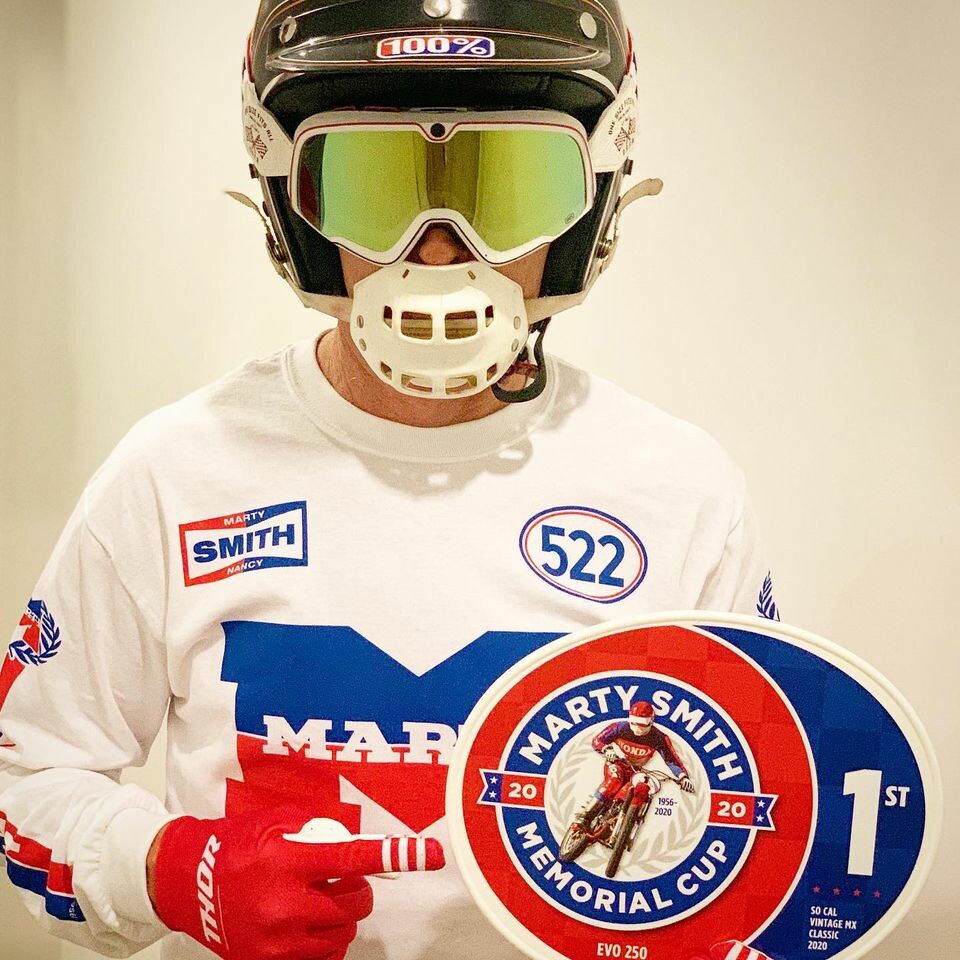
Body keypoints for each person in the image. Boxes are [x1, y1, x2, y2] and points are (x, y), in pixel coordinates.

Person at [0, 2, 779, 959]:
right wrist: (168, 869)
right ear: (292, 201)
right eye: (374, 187)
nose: (439, 248)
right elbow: (28, 773)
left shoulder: (680, 489)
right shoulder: (173, 470)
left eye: (507, 188)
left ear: (592, 202)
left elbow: (764, 810)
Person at [573, 700, 695, 831]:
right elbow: (598, 740)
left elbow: (671, 759)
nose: (637, 729)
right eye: (633, 723)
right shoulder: (619, 727)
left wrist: (682, 777)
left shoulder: (659, 737)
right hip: (617, 764)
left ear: (651, 721)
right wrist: (606, 749)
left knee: (633, 792)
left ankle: (617, 824)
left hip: (635, 772)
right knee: (614, 781)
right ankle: (585, 816)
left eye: (642, 724)